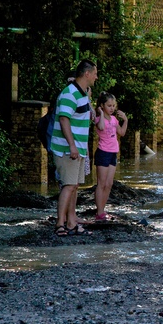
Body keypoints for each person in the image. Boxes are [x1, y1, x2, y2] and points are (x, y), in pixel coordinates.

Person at [51, 60, 97, 236]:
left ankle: (71, 222)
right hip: (67, 148)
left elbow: (84, 111)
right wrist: (71, 146)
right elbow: (64, 119)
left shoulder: (82, 92)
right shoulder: (69, 93)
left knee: (74, 185)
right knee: (68, 185)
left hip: (78, 148)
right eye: (95, 73)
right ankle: (59, 224)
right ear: (86, 73)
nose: (96, 76)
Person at [93, 91, 128, 221]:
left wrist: (125, 120)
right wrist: (101, 113)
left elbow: (122, 133)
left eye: (113, 105)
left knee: (109, 184)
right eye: (109, 105)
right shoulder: (98, 119)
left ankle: (103, 210)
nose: (112, 108)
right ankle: (99, 212)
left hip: (113, 153)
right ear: (102, 106)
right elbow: (101, 127)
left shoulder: (114, 119)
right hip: (103, 153)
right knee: (101, 183)